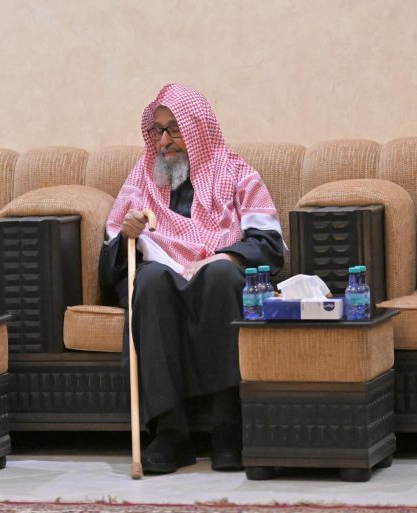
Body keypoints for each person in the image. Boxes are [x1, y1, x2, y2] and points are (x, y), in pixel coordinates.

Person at [99, 83, 284, 474]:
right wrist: (127, 236)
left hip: (217, 272)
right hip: (161, 277)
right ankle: (171, 432)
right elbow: (110, 259)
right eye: (158, 130)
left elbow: (268, 243)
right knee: (148, 282)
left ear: (198, 130)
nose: (164, 141)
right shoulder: (142, 179)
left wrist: (223, 256)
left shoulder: (237, 173)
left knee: (221, 275)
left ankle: (227, 427)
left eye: (174, 129)